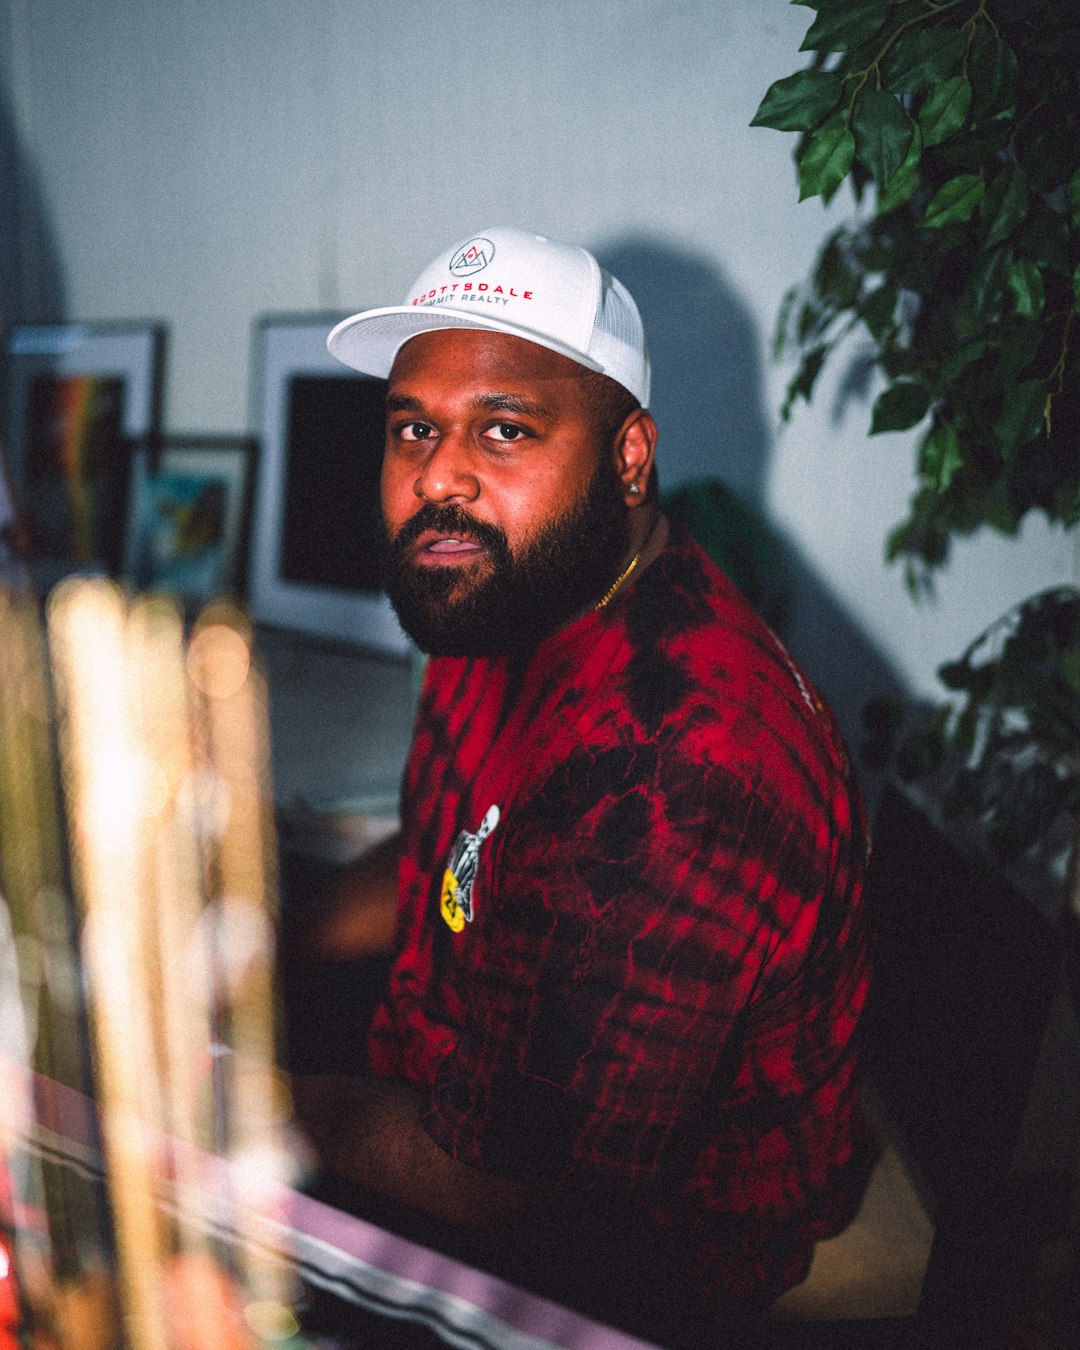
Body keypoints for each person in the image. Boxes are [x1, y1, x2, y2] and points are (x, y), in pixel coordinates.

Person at [288, 227, 874, 1347]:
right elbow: (434, 852)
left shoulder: (681, 767)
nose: (439, 475)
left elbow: (504, 1180)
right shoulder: (508, 585)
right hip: (448, 1078)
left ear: (630, 455)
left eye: (505, 429)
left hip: (630, 1250)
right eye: (415, 426)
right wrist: (255, 949)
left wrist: (242, 1097)